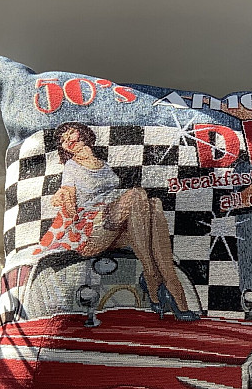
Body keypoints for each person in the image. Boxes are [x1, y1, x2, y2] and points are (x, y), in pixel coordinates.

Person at [34, 121, 198, 320]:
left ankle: (173, 287)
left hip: (111, 227)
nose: (67, 140)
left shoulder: (103, 164)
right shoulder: (71, 166)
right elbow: (68, 194)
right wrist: (63, 197)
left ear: (82, 133)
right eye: (62, 140)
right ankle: (153, 277)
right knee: (137, 195)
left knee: (154, 205)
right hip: (89, 229)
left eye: (70, 134)